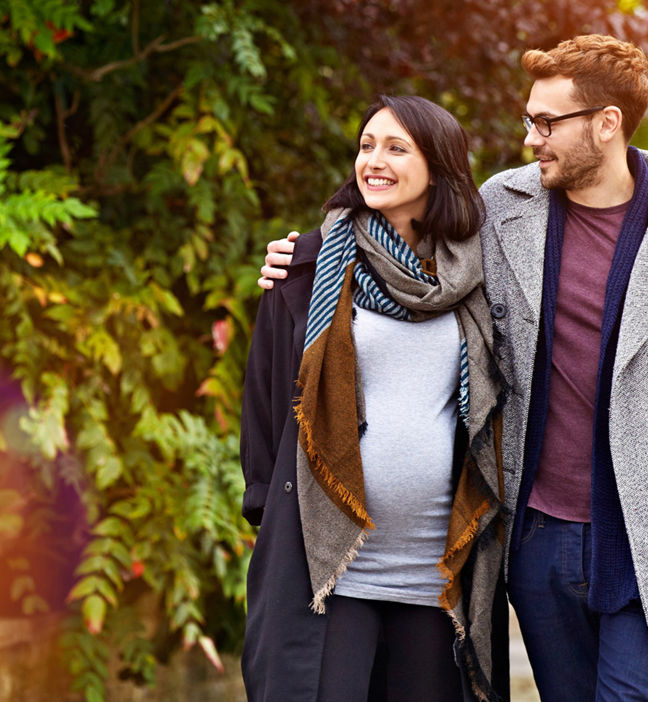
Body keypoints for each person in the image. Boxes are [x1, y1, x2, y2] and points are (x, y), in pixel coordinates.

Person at [257, 35, 648, 702]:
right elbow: (410, 249)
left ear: (606, 124)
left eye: (547, 122)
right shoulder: (504, 209)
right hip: (536, 537)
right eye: (531, 120)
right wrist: (305, 256)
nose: (531, 138)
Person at [239, 95, 509, 702]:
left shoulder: (476, 276)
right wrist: (273, 520)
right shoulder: (307, 269)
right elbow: (262, 408)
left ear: (438, 167)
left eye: (395, 147)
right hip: (328, 572)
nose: (374, 160)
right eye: (366, 145)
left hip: (435, 577)